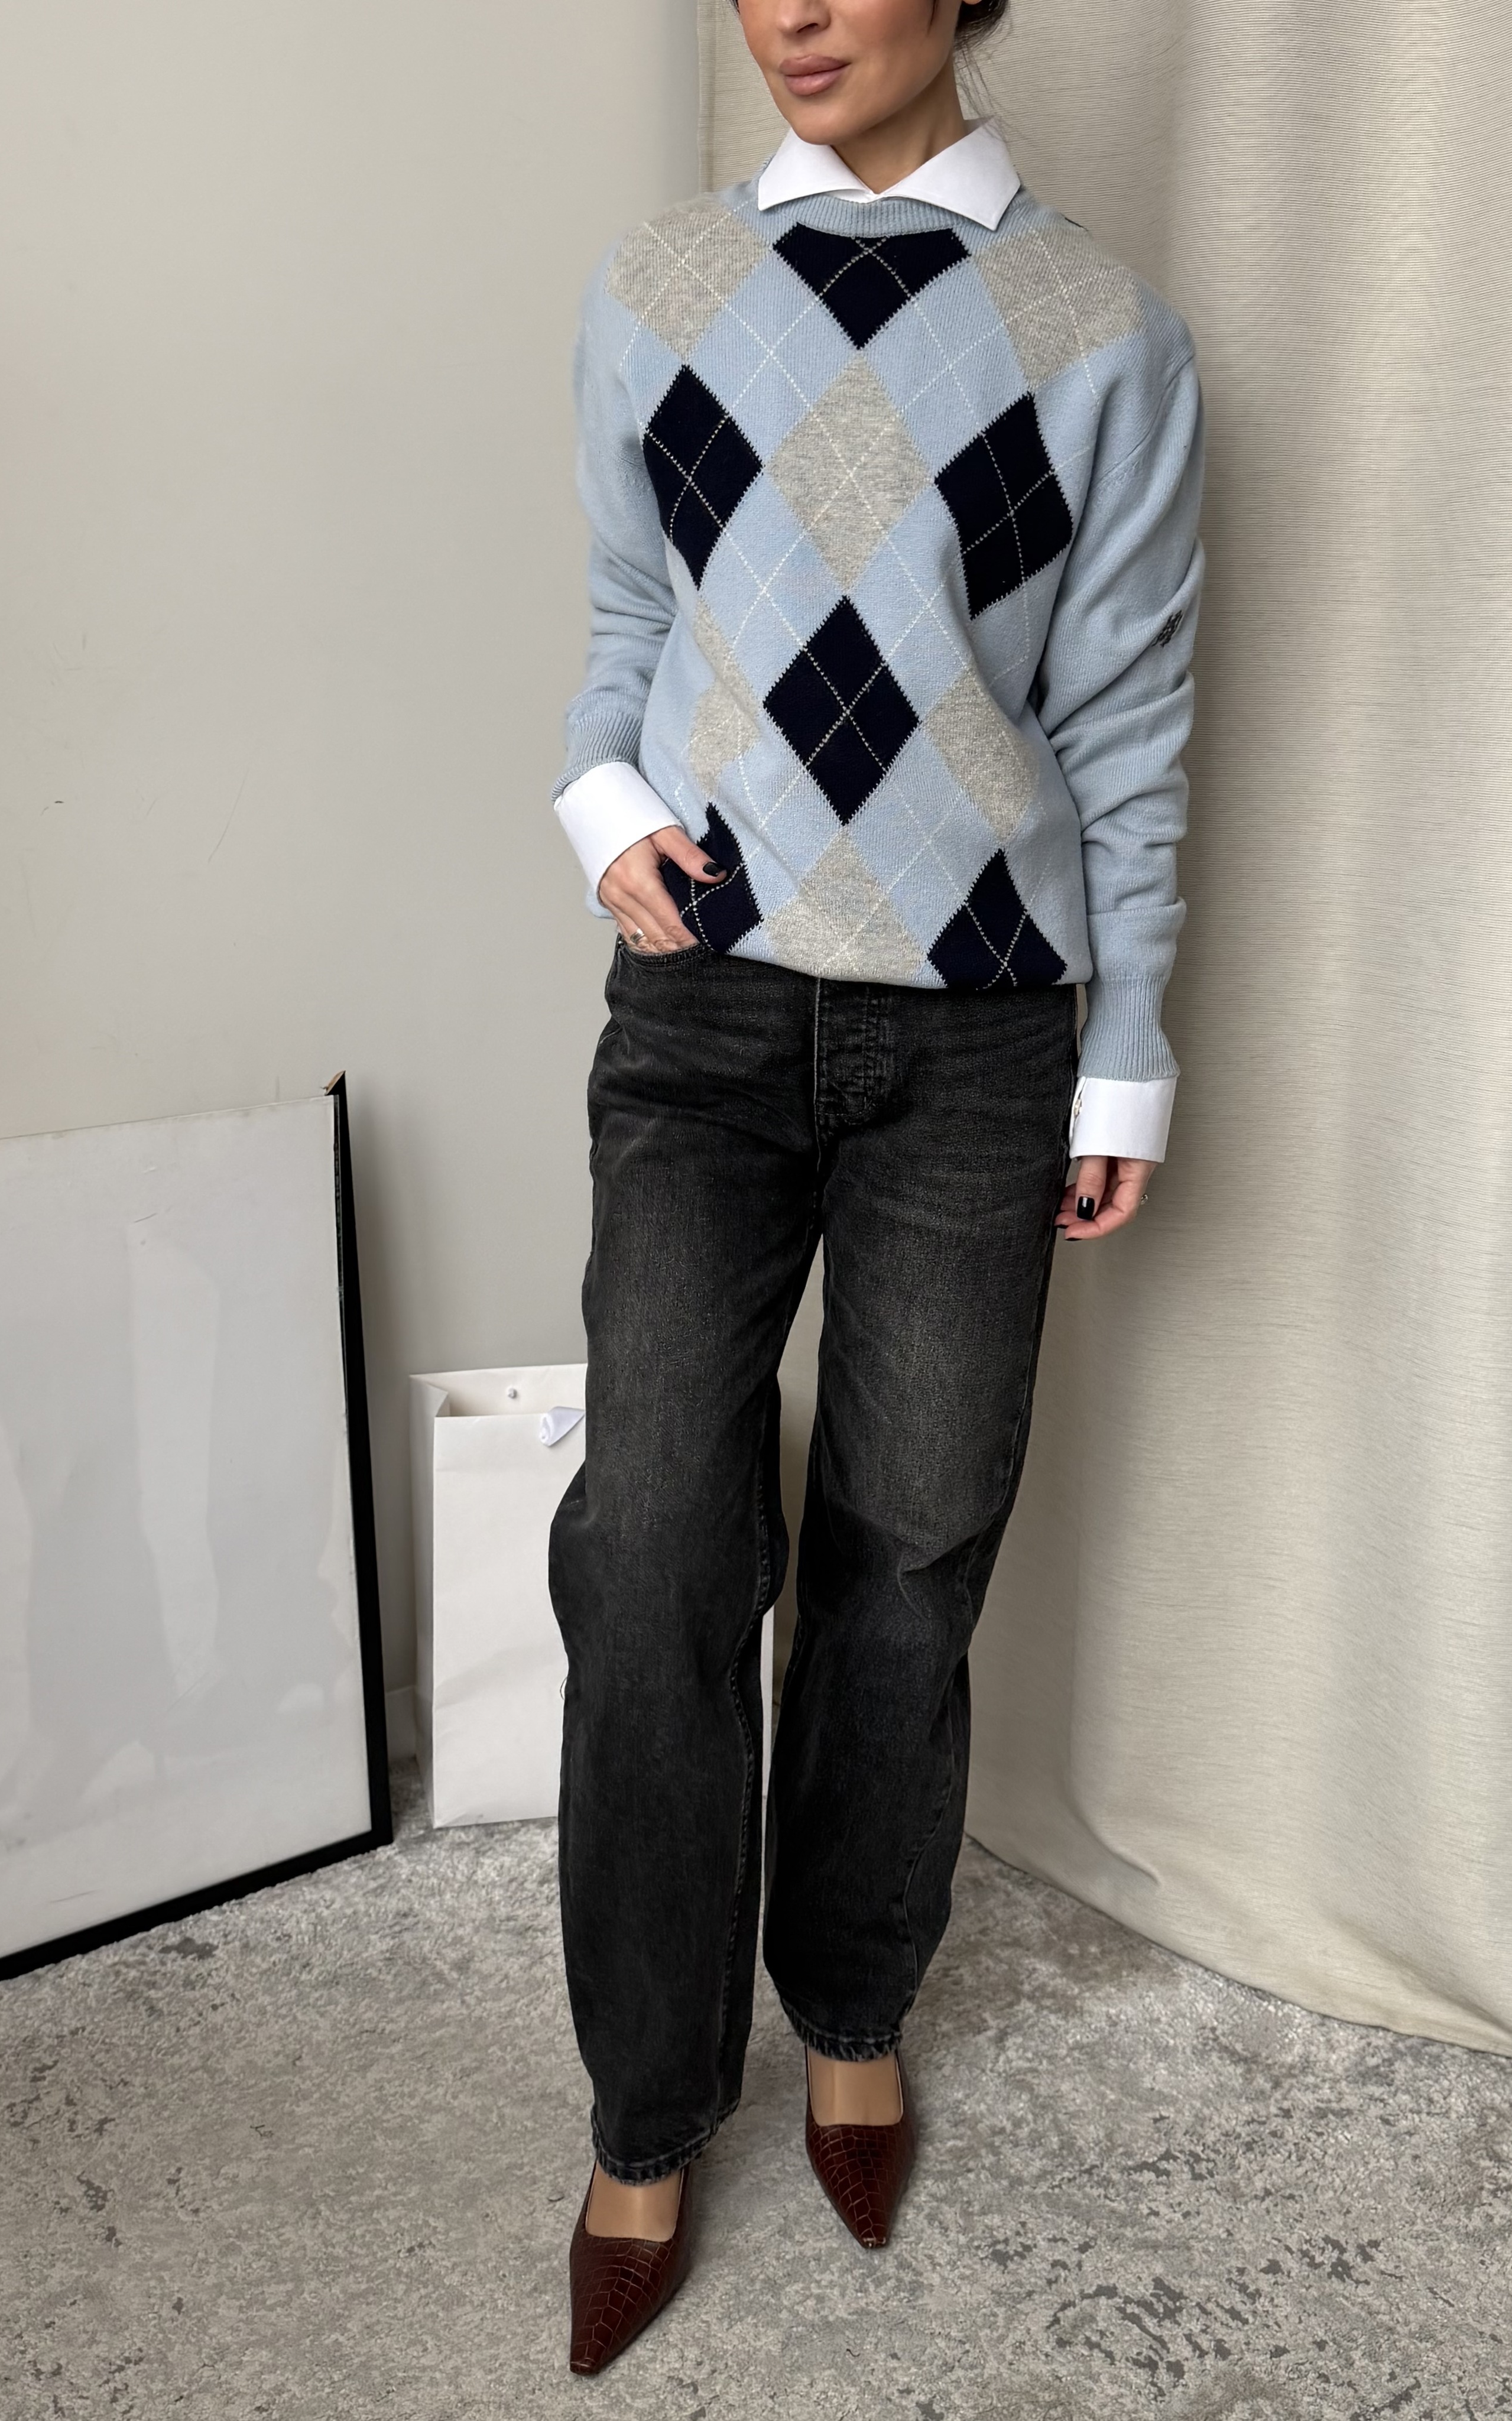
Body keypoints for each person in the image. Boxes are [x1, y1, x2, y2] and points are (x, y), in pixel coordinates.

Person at [547, 0, 1204, 2374]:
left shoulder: (1103, 331)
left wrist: (1122, 1053)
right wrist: (604, 812)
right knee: (650, 1548)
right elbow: (628, 623)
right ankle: (645, 2103)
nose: (793, 15)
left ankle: (849, 2003)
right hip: (705, 1019)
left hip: (978, 1035)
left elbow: (1124, 712)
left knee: (909, 1553)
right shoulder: (661, 286)